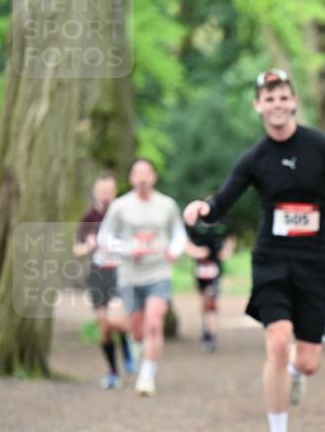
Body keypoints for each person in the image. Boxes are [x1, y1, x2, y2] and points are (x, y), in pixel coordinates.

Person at [183, 68, 325, 432]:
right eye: (267, 98)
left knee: (308, 361)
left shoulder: (322, 147)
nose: (276, 104)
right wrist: (203, 210)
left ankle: (294, 371)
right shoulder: (254, 158)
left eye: (282, 96)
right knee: (276, 341)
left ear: (293, 102)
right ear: (258, 106)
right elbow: (223, 201)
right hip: (272, 260)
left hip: (316, 263)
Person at [99, 158, 187, 397]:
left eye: (146, 173)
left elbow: (179, 232)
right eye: (137, 174)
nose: (142, 178)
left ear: (154, 177)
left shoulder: (166, 205)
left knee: (155, 323)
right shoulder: (120, 206)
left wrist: (174, 250)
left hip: (158, 271)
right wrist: (127, 249)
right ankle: (139, 348)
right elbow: (104, 237)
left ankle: (147, 377)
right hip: (129, 274)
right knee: (137, 330)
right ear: (131, 178)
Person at [73, 174, 134, 389]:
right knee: (103, 326)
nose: (105, 194)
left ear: (115, 191)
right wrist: (88, 247)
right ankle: (112, 372)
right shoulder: (89, 217)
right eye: (102, 190)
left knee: (116, 320)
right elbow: (77, 249)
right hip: (98, 276)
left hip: (120, 274)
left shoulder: (124, 214)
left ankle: (127, 343)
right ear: (95, 192)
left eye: (109, 190)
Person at [185, 221, 236, 353]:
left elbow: (230, 240)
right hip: (200, 269)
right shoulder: (196, 227)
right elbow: (187, 243)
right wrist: (197, 252)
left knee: (211, 301)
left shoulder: (222, 227)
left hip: (215, 269)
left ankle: (210, 335)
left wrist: (226, 252)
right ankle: (206, 326)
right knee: (203, 302)